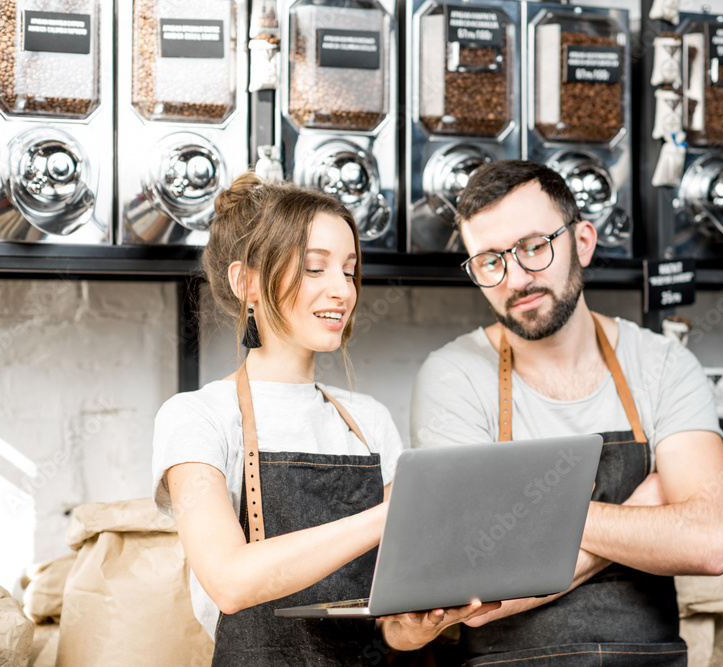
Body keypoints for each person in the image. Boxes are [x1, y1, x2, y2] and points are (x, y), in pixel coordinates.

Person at [152, 173, 494, 666]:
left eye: (349, 271)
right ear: (246, 282)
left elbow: (387, 630)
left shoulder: (369, 421)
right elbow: (229, 581)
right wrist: (391, 515)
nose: (342, 290)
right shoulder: (197, 417)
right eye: (315, 268)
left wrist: (415, 627)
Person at [410, 160, 723, 666]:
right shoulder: (454, 374)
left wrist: (527, 520)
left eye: (533, 247)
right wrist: (641, 512)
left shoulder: (663, 363)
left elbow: (709, 541)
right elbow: (473, 590)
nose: (516, 278)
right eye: (490, 261)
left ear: (582, 241)